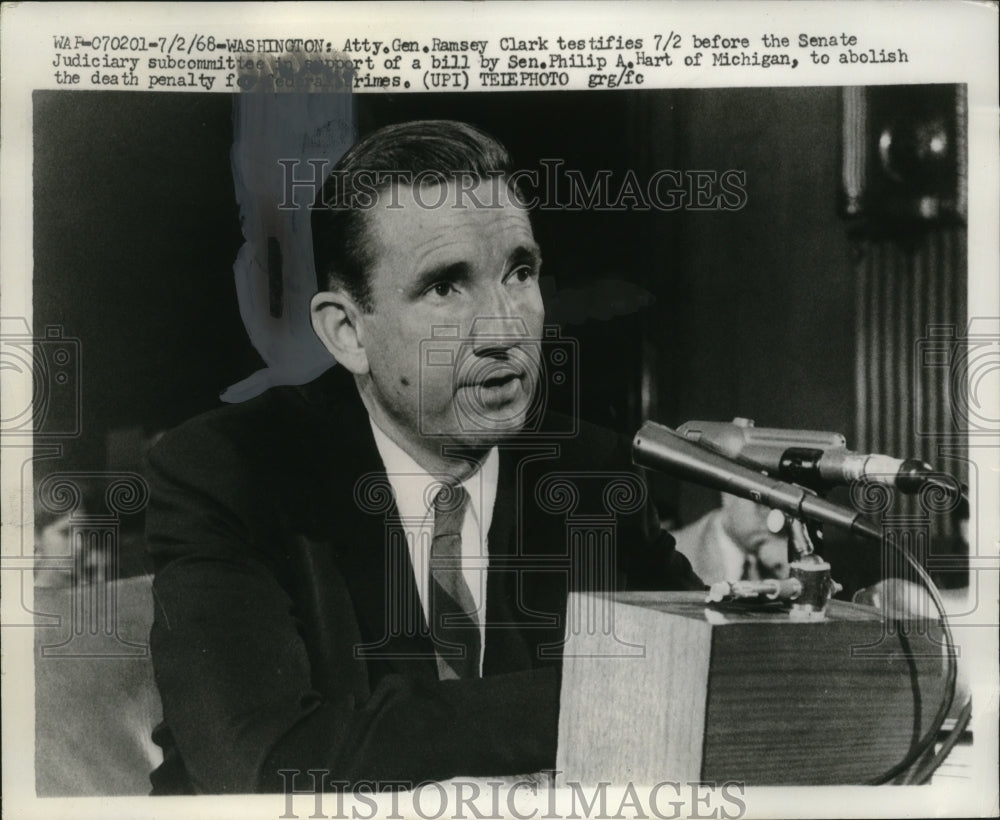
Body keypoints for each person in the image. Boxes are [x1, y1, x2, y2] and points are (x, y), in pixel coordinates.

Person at [145, 120, 704, 794]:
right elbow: (267, 761)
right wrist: (601, 697)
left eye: (519, 272)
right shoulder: (228, 470)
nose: (503, 329)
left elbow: (715, 689)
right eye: (446, 287)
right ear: (348, 331)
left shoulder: (593, 471)